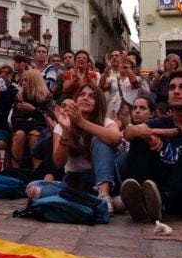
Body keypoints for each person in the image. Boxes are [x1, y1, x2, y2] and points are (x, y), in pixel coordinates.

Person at [121, 71, 182, 222]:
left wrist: (172, 132)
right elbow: (128, 132)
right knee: (138, 139)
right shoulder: (162, 122)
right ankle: (138, 196)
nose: (176, 91)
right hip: (156, 188)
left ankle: (164, 199)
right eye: (172, 87)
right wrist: (147, 135)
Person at [26, 83, 122, 213]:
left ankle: (104, 196)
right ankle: (109, 203)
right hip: (76, 182)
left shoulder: (106, 122)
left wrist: (81, 123)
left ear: (98, 103)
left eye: (91, 96)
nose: (85, 98)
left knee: (100, 139)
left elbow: (116, 138)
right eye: (82, 95)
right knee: (33, 188)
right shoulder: (63, 124)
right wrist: (66, 130)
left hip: (101, 179)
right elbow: (58, 162)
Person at [10, 69, 54, 169]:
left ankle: (36, 169)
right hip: (25, 128)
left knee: (34, 134)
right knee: (19, 134)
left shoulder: (46, 97)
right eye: (22, 80)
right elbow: (15, 121)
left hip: (40, 130)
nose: (23, 83)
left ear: (34, 81)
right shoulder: (19, 97)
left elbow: (49, 119)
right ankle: (16, 169)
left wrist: (33, 110)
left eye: (26, 80)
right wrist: (36, 123)